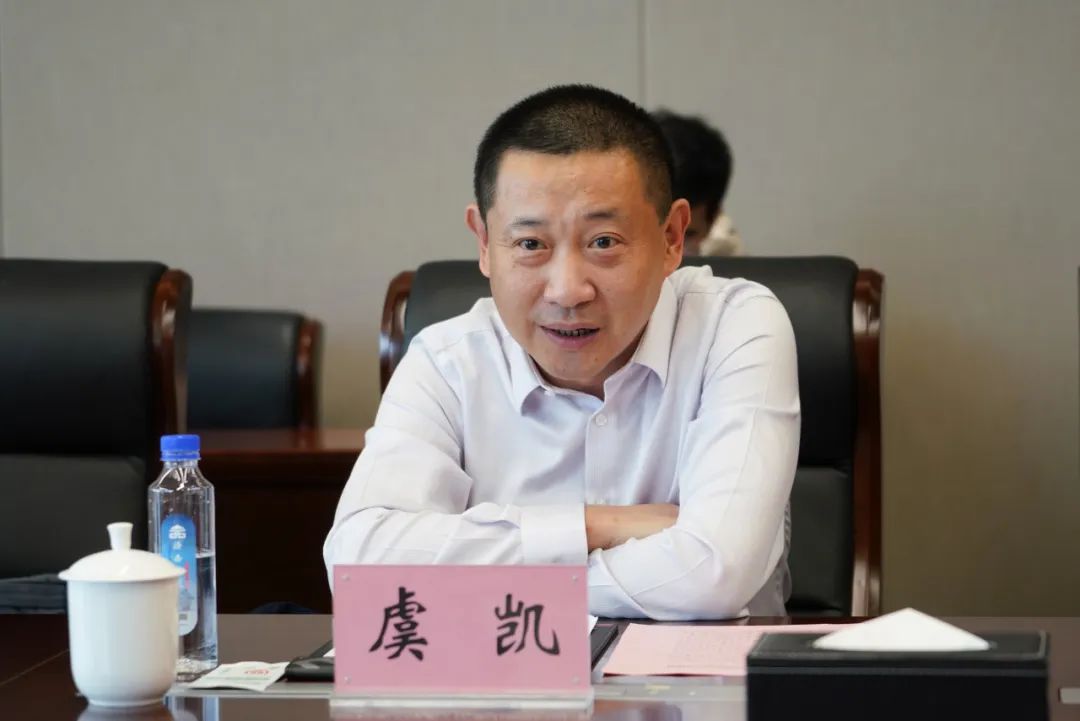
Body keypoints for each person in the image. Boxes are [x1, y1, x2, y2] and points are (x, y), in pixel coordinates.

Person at [323, 85, 799, 619]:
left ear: (671, 237)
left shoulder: (734, 326)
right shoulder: (447, 360)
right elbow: (357, 563)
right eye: (531, 244)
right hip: (504, 674)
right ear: (484, 243)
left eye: (603, 242)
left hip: (706, 673)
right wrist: (596, 526)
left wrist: (479, 584)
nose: (567, 291)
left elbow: (714, 575)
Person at [652, 110, 741, 256]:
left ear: (713, 219)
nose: (666, 250)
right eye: (652, 229)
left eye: (687, 234)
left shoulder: (726, 255)